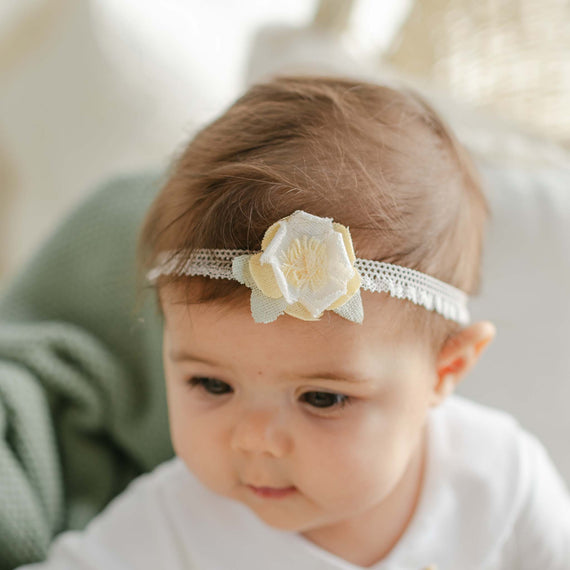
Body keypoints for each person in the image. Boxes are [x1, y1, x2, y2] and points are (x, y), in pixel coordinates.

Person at [16, 76, 570, 569]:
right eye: (212, 384)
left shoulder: (502, 485)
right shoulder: (174, 522)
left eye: (322, 398)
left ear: (445, 371)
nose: (255, 440)